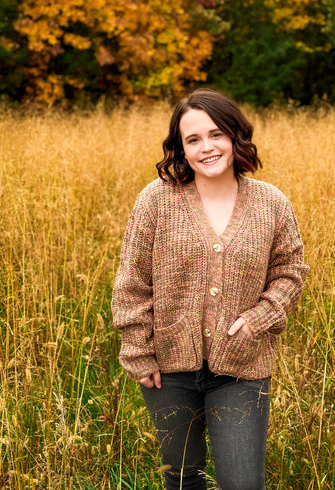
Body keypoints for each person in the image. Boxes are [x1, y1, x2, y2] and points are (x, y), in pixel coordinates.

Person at [111, 88, 309, 490]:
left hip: (242, 367)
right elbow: (132, 280)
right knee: (184, 478)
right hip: (169, 371)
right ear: (181, 149)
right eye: (193, 139)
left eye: (216, 134)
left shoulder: (271, 203)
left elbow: (291, 271)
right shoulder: (156, 200)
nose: (207, 147)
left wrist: (258, 320)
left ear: (235, 136)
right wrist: (137, 348)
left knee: (243, 483)